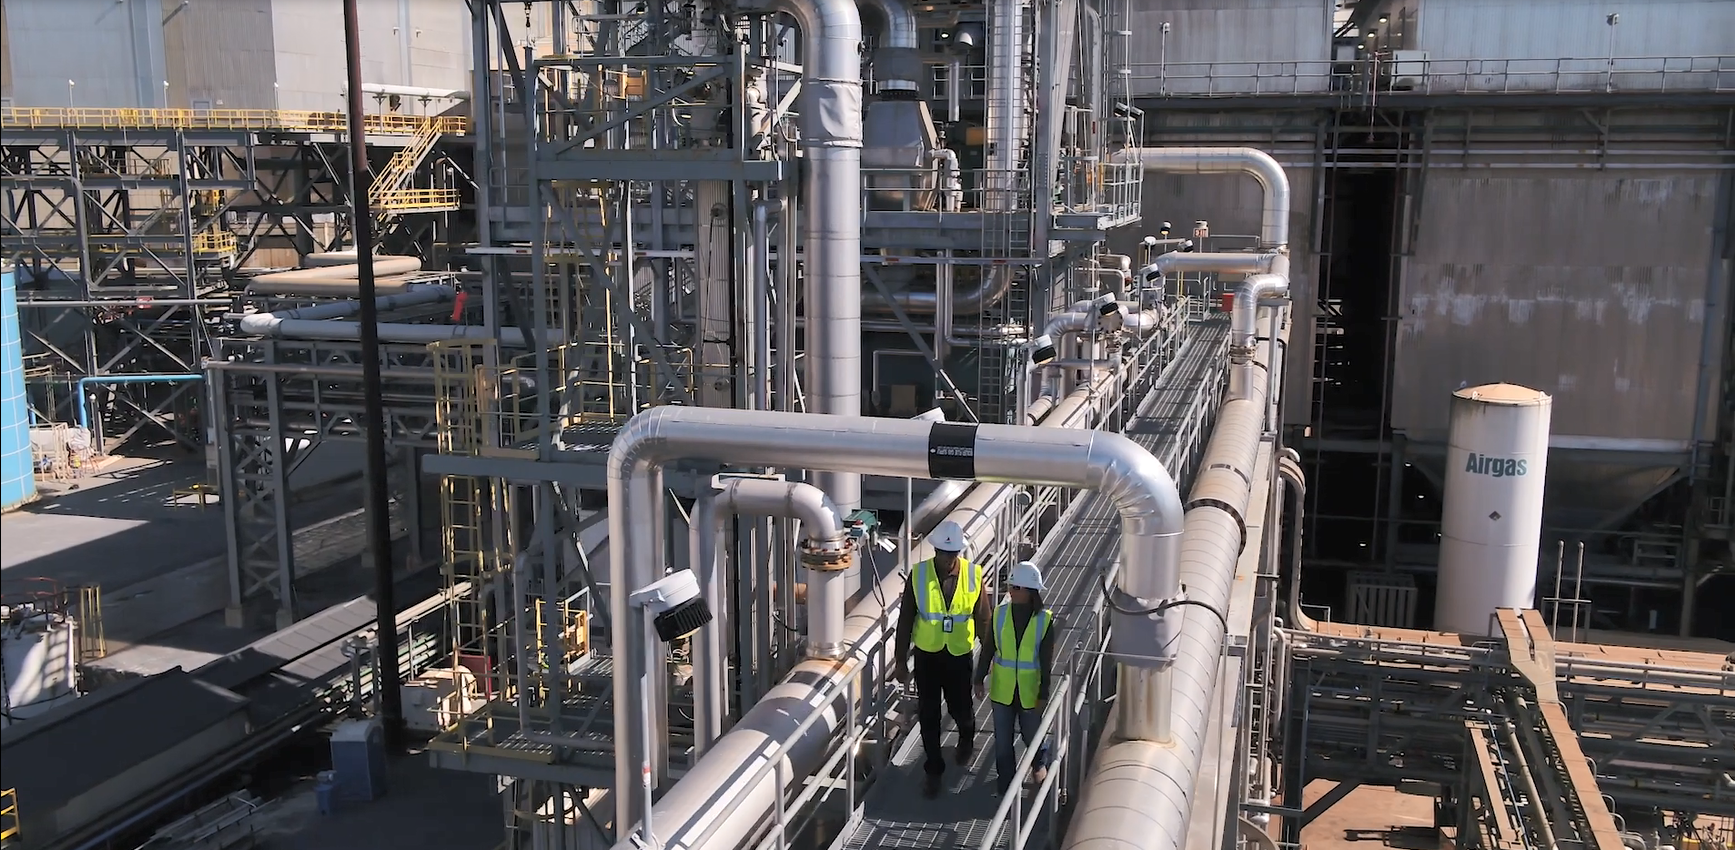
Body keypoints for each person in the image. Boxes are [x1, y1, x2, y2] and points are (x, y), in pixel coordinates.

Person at [893, 519, 994, 799]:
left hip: (959, 655)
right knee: (928, 714)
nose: (949, 558)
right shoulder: (919, 574)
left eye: (954, 553)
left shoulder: (974, 575)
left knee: (962, 709)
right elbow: (906, 619)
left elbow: (984, 620)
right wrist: (900, 660)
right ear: (935, 550)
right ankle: (933, 770)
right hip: (928, 655)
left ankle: (965, 740)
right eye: (944, 552)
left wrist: (987, 662)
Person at [978, 561, 1057, 796]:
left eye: (1015, 588)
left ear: (1029, 592)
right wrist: (978, 677)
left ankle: (1039, 764)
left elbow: (1046, 661)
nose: (1010, 591)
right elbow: (989, 648)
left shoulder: (1044, 620)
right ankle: (1006, 780)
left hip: (1029, 690)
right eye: (1011, 587)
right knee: (1002, 740)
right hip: (1002, 689)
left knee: (1031, 733)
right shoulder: (1000, 614)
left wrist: (1044, 692)